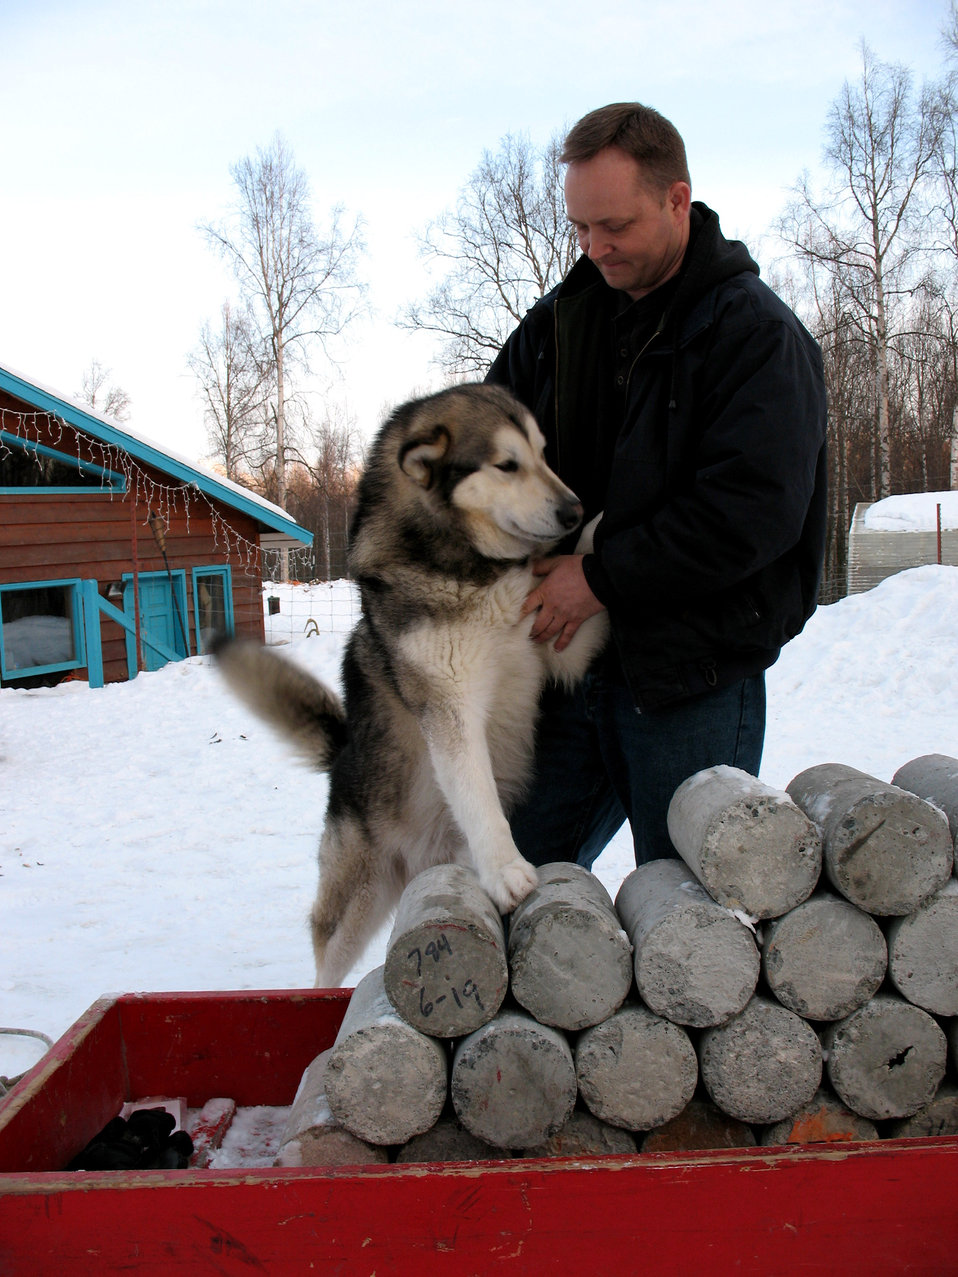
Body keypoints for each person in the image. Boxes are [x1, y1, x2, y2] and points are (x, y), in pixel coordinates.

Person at [485, 102, 828, 871]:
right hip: (564, 669)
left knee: (692, 916)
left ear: (678, 200)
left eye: (616, 225)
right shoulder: (557, 327)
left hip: (689, 677)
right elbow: (484, 452)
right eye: (578, 227)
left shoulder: (756, 336)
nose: (594, 247)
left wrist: (599, 577)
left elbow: (751, 513)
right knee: (509, 882)